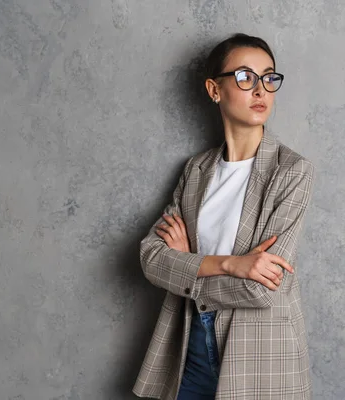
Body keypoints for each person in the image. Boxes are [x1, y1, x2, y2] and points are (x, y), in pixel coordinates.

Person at [132, 33, 315, 400]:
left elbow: (261, 288)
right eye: (245, 77)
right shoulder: (196, 170)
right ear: (215, 90)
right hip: (190, 349)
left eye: (268, 78)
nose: (260, 90)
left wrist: (185, 265)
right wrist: (231, 264)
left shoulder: (292, 171)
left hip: (259, 358)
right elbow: (151, 258)